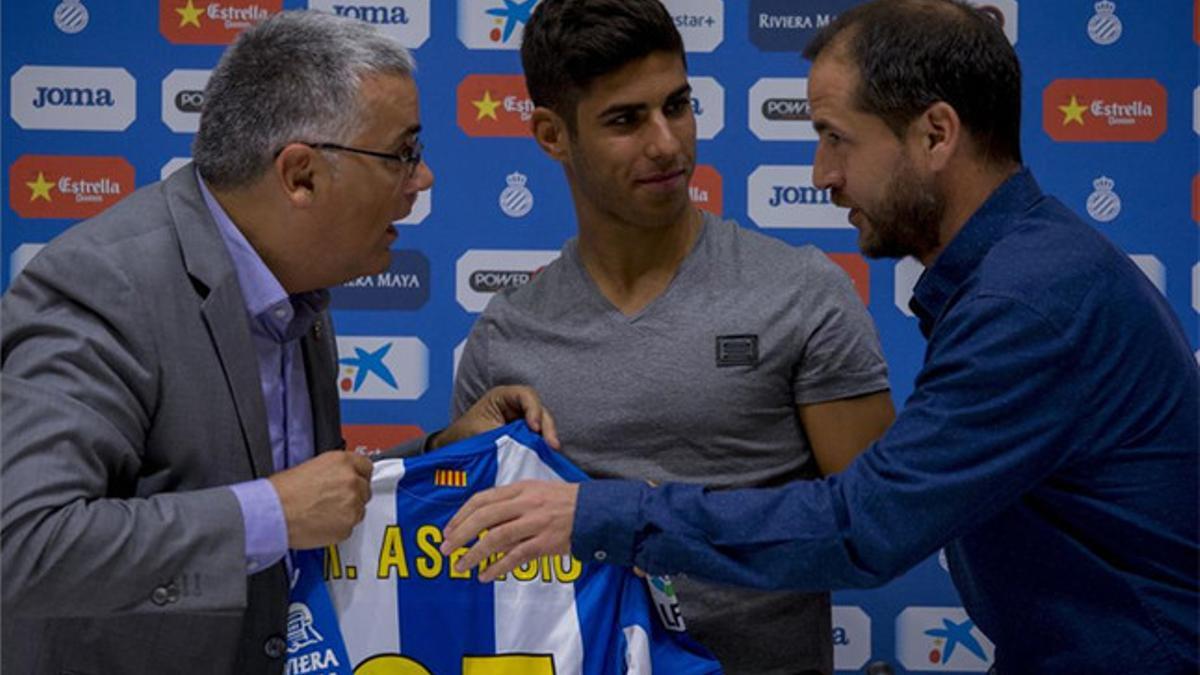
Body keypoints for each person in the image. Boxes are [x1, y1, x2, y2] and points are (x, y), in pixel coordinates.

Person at [442, 1, 1200, 673]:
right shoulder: (1023, 277)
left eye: (837, 138)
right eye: (625, 118)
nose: (822, 173)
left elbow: (865, 522)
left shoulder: (1027, 302)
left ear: (936, 133)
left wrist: (599, 515)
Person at [0, 12, 554, 675]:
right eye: (403, 153)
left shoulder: (293, 282)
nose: (423, 177)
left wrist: (440, 450)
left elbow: (300, 490)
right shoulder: (107, 285)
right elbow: (24, 543)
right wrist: (270, 514)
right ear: (301, 175)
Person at [448, 1, 894, 672]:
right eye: (626, 120)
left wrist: (637, 522)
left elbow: (877, 527)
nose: (667, 143)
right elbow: (478, 557)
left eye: (678, 106)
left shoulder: (800, 292)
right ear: (550, 134)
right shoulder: (504, 336)